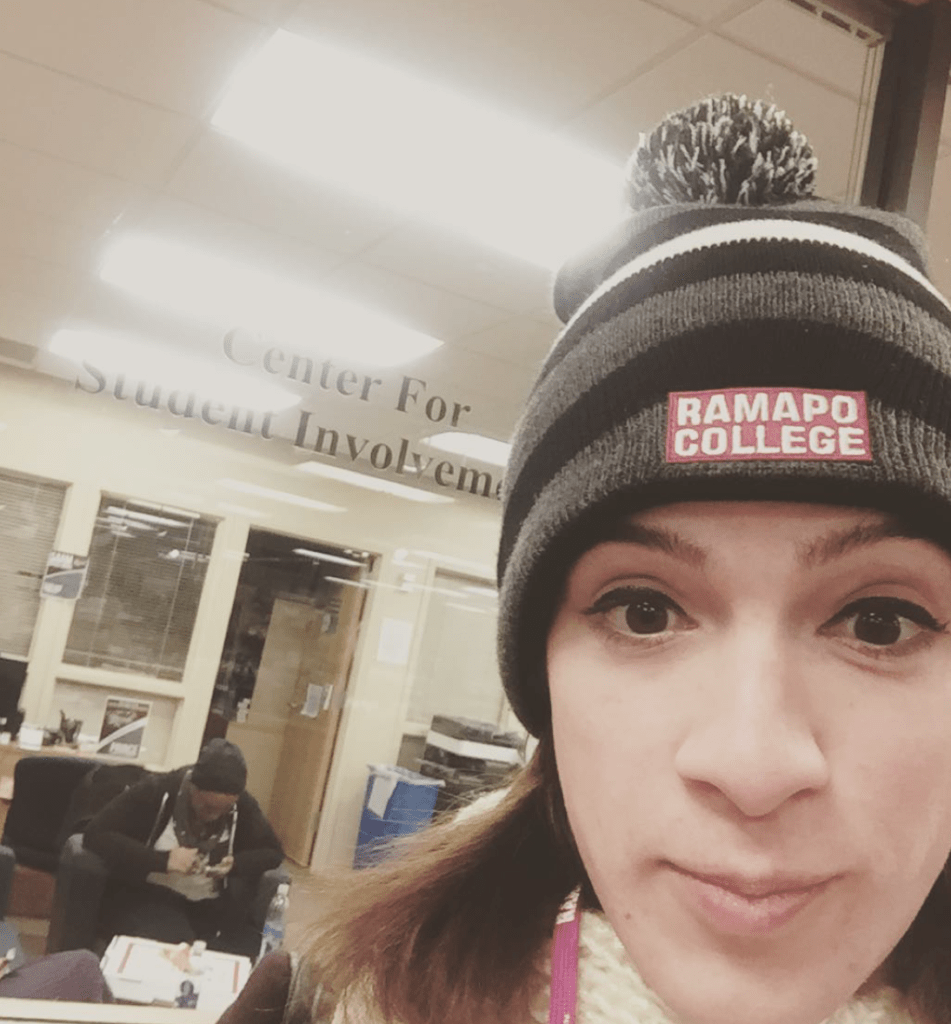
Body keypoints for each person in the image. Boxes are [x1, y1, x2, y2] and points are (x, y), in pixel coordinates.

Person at [218, 94, 951, 1024]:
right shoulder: (325, 1009)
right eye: (642, 609)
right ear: (542, 687)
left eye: (879, 621)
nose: (752, 762)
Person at [85, 738, 283, 958]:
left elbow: (272, 852)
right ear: (192, 789)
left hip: (211, 905)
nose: (215, 815)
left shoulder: (242, 806)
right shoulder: (157, 791)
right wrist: (164, 860)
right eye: (207, 807)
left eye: (224, 809)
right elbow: (96, 834)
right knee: (173, 945)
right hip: (149, 896)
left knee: (250, 952)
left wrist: (234, 864)